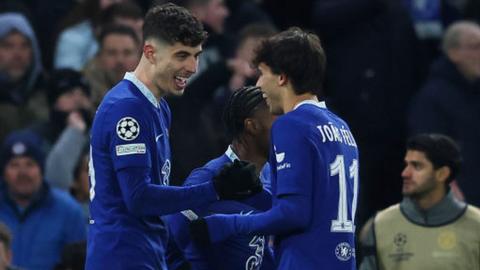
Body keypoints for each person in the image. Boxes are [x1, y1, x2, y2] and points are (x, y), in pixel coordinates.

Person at [85, 4, 262, 269]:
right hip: (121, 257)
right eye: (181, 55)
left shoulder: (159, 106)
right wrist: (214, 189)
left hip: (147, 253)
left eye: (196, 55)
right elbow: (139, 198)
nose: (192, 67)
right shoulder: (127, 109)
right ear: (150, 52)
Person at [190, 27, 360, 269]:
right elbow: (319, 204)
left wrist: (228, 224)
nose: (258, 84)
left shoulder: (291, 125)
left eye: (262, 73)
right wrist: (258, 193)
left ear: (282, 77)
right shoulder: (342, 128)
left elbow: (294, 213)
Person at [166, 86, 275, 270]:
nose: (287, 129)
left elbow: (259, 246)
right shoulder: (209, 177)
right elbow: (173, 234)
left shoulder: (270, 173)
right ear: (252, 126)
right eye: (278, 120)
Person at [359, 134, 480, 270]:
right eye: (406, 165)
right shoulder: (379, 225)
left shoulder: (476, 225)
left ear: (442, 174)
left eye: (417, 166)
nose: (405, 173)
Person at [408, 21, 480, 207]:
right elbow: (426, 149)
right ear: (453, 52)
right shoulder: (433, 98)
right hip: (457, 200)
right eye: (475, 46)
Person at [0, 131, 86, 270]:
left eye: (30, 164)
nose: (22, 173)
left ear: (41, 169)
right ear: (4, 172)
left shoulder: (68, 210)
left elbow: (81, 262)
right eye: (14, 165)